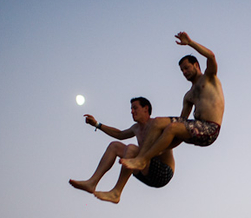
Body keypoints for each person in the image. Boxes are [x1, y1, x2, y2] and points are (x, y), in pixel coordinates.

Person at [121, 31, 225, 171]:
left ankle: (142, 159)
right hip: (196, 128)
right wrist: (162, 145)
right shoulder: (188, 96)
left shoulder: (209, 77)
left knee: (172, 127)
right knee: (158, 122)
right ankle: (145, 156)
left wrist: (190, 43)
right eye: (182, 70)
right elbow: (182, 122)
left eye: (186, 68)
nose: (184, 72)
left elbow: (211, 56)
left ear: (196, 65)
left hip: (210, 129)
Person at [69, 97, 175, 204]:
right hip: (145, 171)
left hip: (163, 172)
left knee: (132, 149)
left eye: (135, 108)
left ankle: (116, 192)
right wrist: (97, 124)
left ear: (145, 109)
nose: (132, 111)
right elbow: (119, 134)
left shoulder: (157, 124)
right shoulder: (136, 128)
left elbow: (173, 136)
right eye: (131, 109)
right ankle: (92, 183)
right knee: (114, 146)